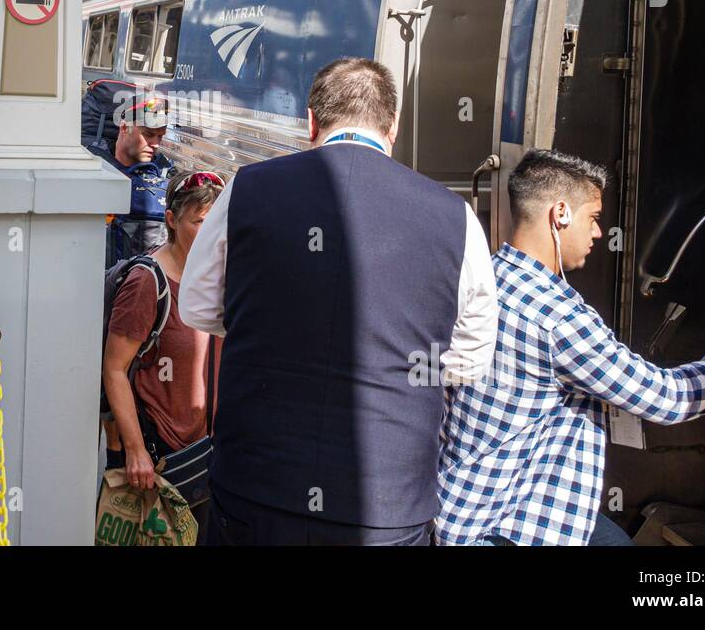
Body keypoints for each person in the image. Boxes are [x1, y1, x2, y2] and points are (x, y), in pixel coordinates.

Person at [179, 57, 498, 545]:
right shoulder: (457, 217)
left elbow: (198, 307)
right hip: (384, 504)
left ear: (311, 122)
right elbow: (470, 359)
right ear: (393, 126)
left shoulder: (247, 189)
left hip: (257, 487)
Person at [437, 150, 705, 546]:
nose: (599, 233)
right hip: (515, 527)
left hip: (461, 510)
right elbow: (667, 398)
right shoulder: (556, 317)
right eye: (593, 217)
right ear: (561, 214)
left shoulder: (483, 281)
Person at [103, 169, 226, 537]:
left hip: (208, 453)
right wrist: (135, 450)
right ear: (171, 220)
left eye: (219, 223)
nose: (214, 236)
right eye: (200, 222)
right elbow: (113, 369)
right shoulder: (148, 283)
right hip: (161, 460)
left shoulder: (224, 278)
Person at [88, 92, 174, 267]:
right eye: (148, 134)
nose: (156, 143)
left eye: (160, 136)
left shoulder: (168, 174)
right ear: (124, 127)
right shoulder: (93, 167)